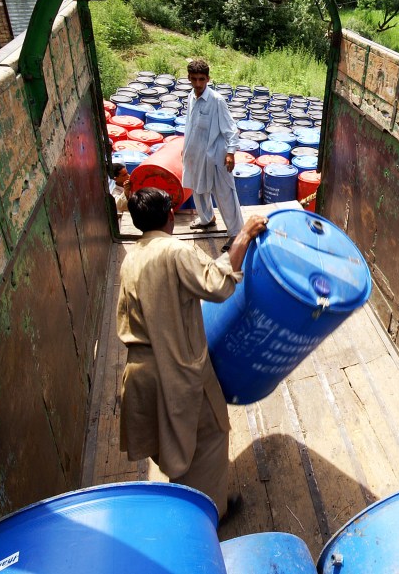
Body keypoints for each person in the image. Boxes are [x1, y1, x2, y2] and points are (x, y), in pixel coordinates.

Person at [117, 187, 268, 521]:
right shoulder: (174, 250)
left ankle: (184, 502)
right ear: (170, 216)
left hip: (140, 376)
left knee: (170, 443)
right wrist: (243, 235)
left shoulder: (133, 255)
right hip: (176, 371)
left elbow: (191, 278)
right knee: (210, 435)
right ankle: (206, 517)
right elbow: (217, 286)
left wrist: (225, 255)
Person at [181, 59, 244, 252]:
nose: (198, 84)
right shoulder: (192, 96)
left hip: (215, 156)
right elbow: (190, 125)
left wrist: (231, 153)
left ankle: (236, 233)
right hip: (195, 154)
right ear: (189, 79)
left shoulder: (216, 100)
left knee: (225, 195)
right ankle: (207, 219)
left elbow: (231, 129)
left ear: (208, 78)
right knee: (198, 189)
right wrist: (186, 147)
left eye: (202, 79)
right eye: (194, 79)